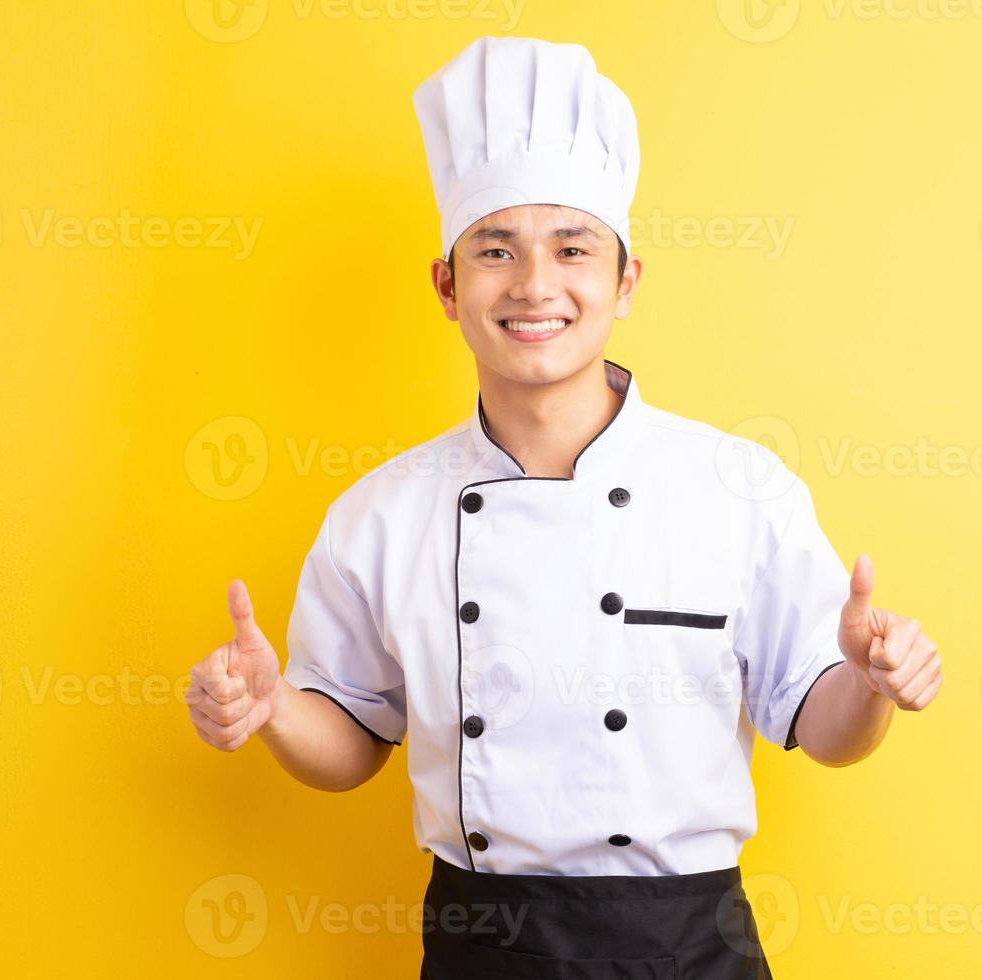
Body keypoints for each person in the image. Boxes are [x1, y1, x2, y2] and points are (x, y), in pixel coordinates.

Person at [184, 35, 943, 978]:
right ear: (448, 287)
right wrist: (274, 711)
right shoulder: (381, 515)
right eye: (495, 251)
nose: (535, 286)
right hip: (480, 948)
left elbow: (825, 731)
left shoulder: (737, 490)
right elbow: (349, 744)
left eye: (572, 249)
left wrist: (870, 685)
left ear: (625, 281)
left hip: (687, 951)